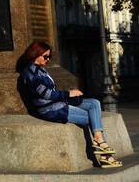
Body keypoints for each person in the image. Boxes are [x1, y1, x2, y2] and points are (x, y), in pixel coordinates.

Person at [15, 41, 122, 169]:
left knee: (94, 103)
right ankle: (105, 155)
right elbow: (47, 94)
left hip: (58, 104)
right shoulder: (30, 73)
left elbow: (52, 93)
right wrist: (69, 94)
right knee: (93, 118)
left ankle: (100, 143)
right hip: (51, 110)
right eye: (45, 56)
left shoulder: (41, 70)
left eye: (49, 57)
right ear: (35, 54)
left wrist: (70, 97)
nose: (48, 59)